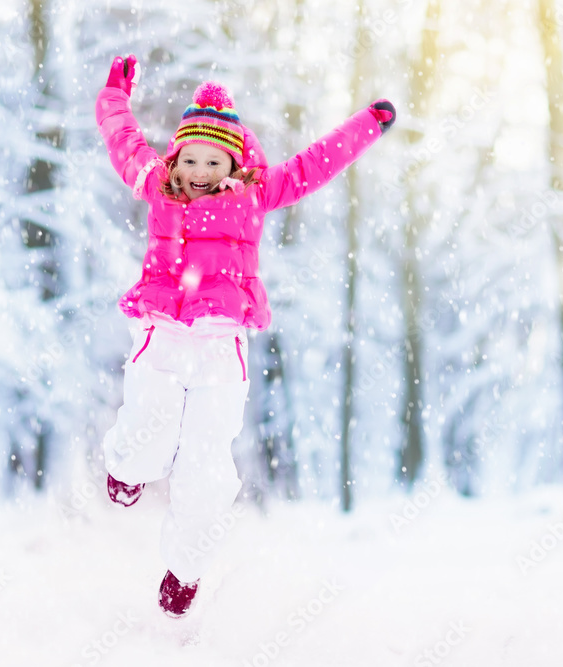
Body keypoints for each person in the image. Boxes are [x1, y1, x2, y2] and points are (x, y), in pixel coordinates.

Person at [95, 54, 395, 618]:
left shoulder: (255, 193)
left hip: (221, 346)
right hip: (162, 334)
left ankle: (184, 571)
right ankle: (126, 470)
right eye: (191, 159)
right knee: (147, 436)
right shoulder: (157, 185)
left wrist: (368, 124)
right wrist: (114, 93)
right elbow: (122, 137)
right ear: (176, 156)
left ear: (231, 161)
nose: (200, 171)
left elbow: (315, 164)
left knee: (208, 465)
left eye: (214, 160)